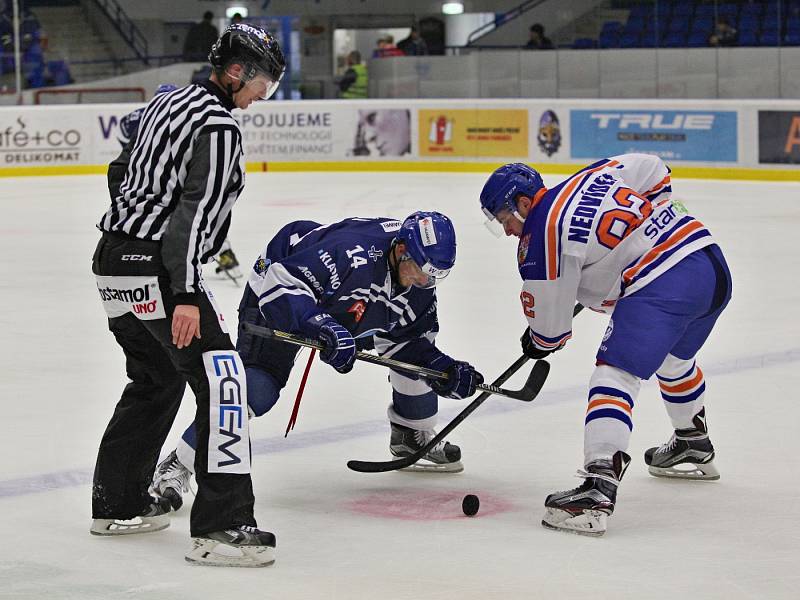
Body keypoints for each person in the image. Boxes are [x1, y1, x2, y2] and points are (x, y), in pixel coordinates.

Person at [91, 24, 285, 567]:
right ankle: (223, 528)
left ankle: (120, 503)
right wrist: (184, 292)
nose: (258, 99)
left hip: (112, 260)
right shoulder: (219, 127)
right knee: (225, 382)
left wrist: (135, 238)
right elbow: (191, 218)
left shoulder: (164, 102)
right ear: (236, 72)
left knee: (154, 378)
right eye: (260, 85)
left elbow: (120, 171)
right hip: (161, 270)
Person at [150, 212, 485, 510]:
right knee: (258, 386)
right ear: (400, 251)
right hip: (281, 283)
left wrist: (443, 369)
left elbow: (409, 344)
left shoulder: (418, 281)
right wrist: (320, 326)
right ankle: (178, 462)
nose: (423, 282)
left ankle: (410, 435)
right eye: (420, 272)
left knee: (416, 367)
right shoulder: (351, 254)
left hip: (345, 303)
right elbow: (280, 286)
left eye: (433, 276)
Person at [478, 154, 731, 536]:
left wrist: (536, 341)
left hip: (661, 281)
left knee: (614, 374)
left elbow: (551, 333)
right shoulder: (590, 175)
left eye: (505, 219)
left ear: (524, 204)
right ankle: (692, 441)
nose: (511, 231)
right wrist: (645, 224)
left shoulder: (540, 239)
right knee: (673, 360)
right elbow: (653, 169)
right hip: (709, 262)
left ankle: (596, 491)